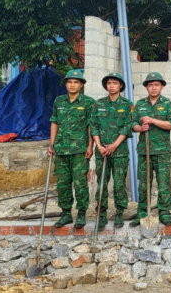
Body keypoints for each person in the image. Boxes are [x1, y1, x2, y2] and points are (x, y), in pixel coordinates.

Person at [47, 69, 96, 229]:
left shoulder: (88, 102)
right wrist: (51, 144)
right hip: (61, 149)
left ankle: (81, 213)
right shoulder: (59, 101)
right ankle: (66, 213)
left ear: (81, 85)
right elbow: (54, 122)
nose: (72, 85)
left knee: (80, 183)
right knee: (63, 183)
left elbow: (91, 126)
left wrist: (90, 146)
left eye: (76, 82)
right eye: (69, 82)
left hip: (80, 150)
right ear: (66, 84)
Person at [130, 72, 171, 227]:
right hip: (144, 151)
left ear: (162, 86)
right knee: (144, 184)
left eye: (157, 85)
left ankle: (164, 213)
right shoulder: (140, 104)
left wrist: (152, 121)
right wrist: (141, 128)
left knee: (163, 183)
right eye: (150, 85)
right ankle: (142, 213)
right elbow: (133, 124)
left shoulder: (168, 103)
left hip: (162, 151)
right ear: (146, 87)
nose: (154, 88)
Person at [91, 72, 134, 228]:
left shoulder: (127, 104)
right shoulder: (98, 104)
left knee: (119, 184)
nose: (111, 86)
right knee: (101, 183)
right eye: (109, 83)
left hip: (119, 151)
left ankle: (119, 213)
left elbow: (128, 126)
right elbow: (93, 126)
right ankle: (101, 214)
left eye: (115, 83)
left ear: (120, 85)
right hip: (102, 150)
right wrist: (99, 145)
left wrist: (115, 144)